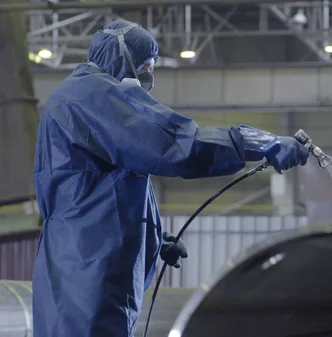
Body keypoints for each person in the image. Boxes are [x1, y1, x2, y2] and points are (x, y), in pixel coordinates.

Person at [32, 20, 309, 337]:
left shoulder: (78, 96)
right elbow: (175, 145)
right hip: (89, 276)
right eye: (145, 66)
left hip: (82, 264)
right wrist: (258, 142)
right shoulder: (92, 97)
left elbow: (94, 191)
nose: (148, 76)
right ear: (121, 57)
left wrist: (152, 237)